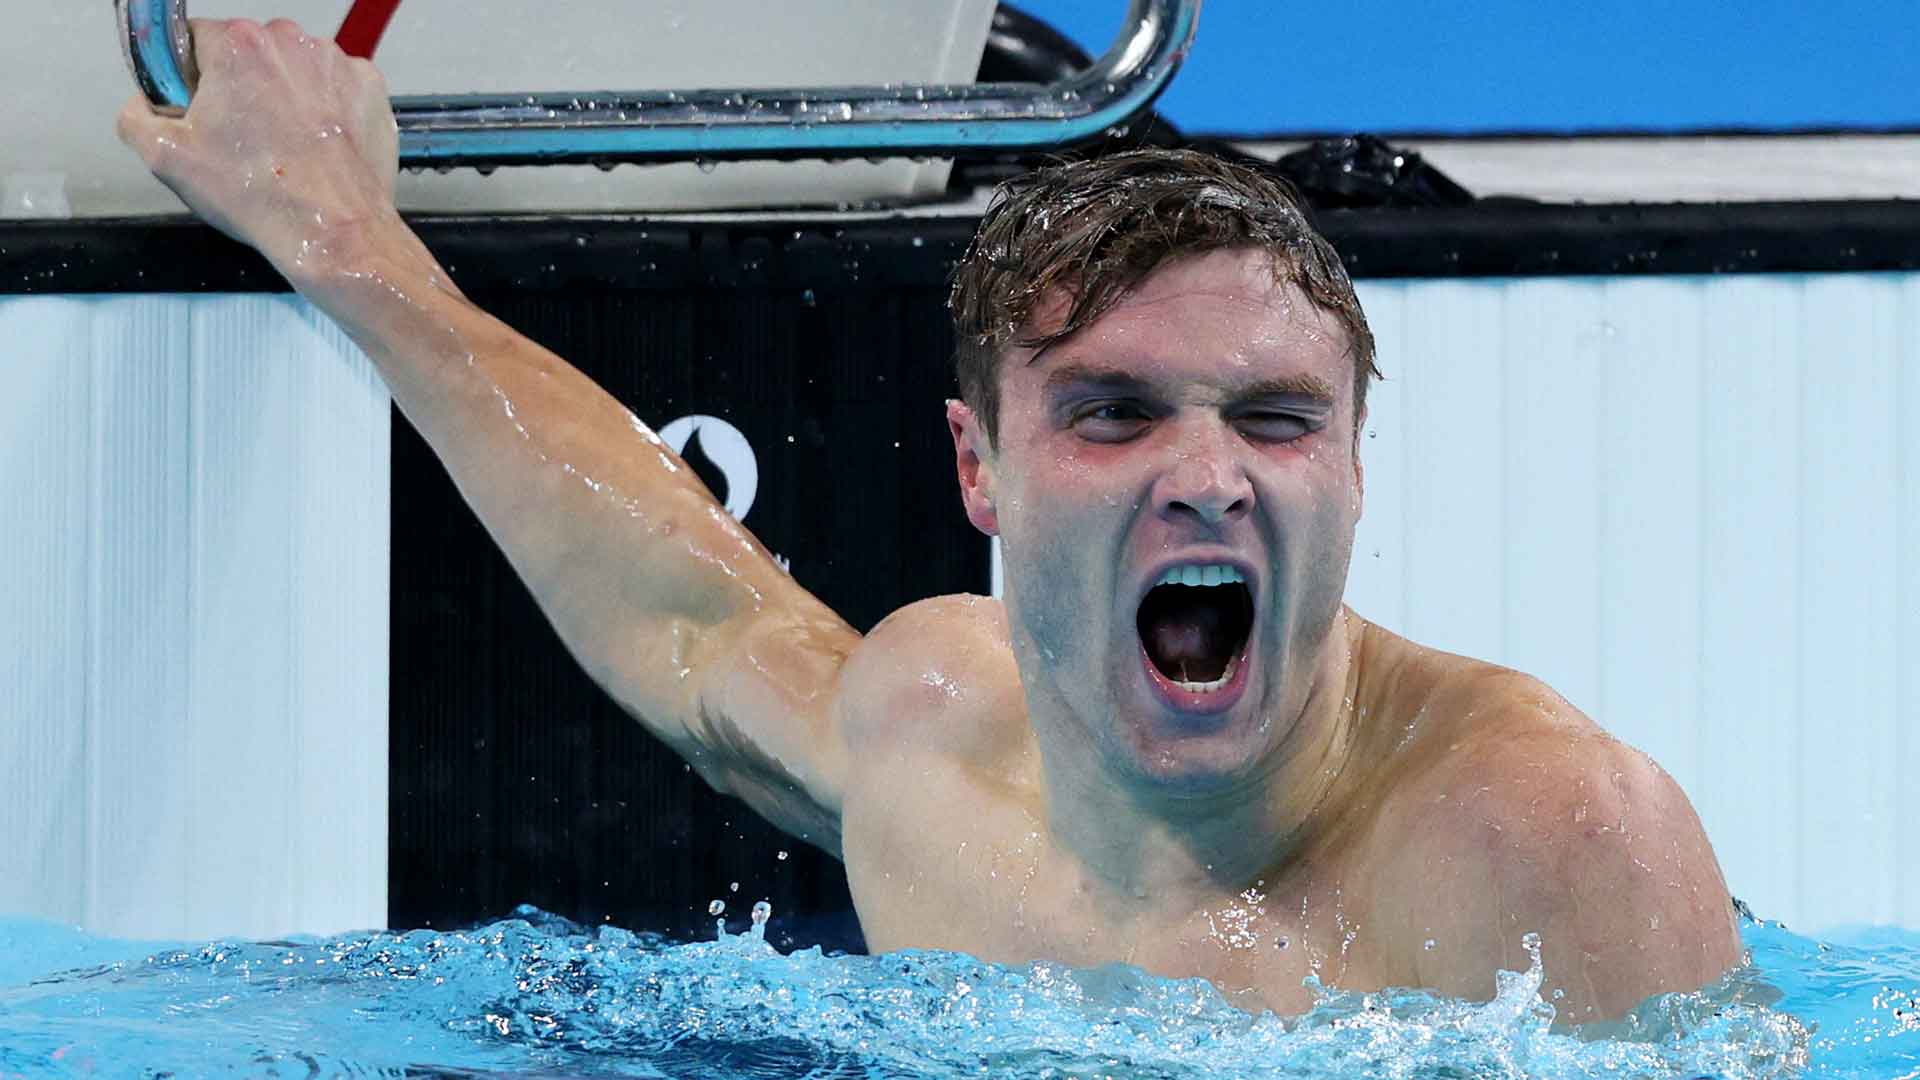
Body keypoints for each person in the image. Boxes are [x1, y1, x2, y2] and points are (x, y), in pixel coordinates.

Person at [118, 18, 1740, 1024]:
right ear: (980, 470)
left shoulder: (1549, 845)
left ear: (1357, 466)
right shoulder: (940, 741)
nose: (1206, 474)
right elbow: (692, 619)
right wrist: (344, 239)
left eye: (1274, 416)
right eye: (1114, 413)